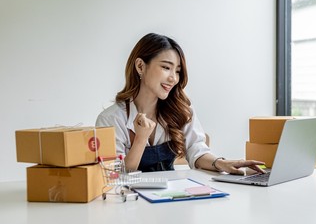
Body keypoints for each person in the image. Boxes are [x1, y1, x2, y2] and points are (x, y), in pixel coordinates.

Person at [96, 33, 264, 174]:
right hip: (128, 206)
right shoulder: (110, 119)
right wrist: (140, 139)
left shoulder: (180, 110)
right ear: (140, 66)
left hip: (172, 201)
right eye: (166, 67)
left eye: (177, 71)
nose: (173, 78)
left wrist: (221, 163)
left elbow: (196, 150)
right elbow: (115, 175)